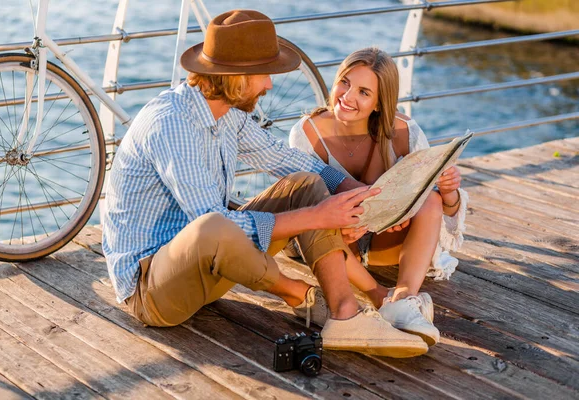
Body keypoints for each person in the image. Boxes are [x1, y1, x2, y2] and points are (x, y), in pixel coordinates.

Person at [102, 11, 429, 357]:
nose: (270, 85)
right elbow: (213, 226)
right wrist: (318, 217)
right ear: (237, 77)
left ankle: (345, 315)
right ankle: (296, 293)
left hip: (208, 268)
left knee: (305, 183)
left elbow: (282, 157)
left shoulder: (226, 114)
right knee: (213, 225)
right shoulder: (172, 125)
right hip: (153, 291)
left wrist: (353, 189)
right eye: (264, 74)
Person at [289, 47, 469, 346]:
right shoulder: (306, 133)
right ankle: (375, 293)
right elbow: (300, 203)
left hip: (389, 243)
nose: (347, 97)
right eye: (344, 82)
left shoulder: (403, 130)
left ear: (378, 102)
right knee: (315, 208)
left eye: (363, 92)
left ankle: (403, 297)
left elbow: (442, 210)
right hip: (338, 246)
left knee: (431, 199)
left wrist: (449, 194)